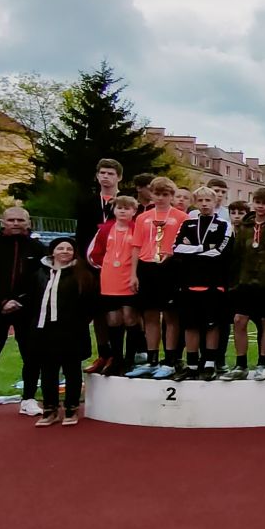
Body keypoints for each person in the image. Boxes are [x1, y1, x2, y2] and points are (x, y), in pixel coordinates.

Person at [0, 206, 47, 421]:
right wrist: (3, 301)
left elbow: (40, 280)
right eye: (11, 220)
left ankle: (29, 399)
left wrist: (20, 300)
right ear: (2, 222)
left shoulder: (38, 248)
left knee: (31, 355)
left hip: (27, 310)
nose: (15, 223)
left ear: (28, 222)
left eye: (20, 220)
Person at [125, 178, 188, 379]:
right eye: (157, 194)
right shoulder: (143, 217)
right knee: (150, 316)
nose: (160, 198)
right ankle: (151, 359)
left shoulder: (182, 217)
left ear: (171, 196)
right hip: (146, 267)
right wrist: (134, 274)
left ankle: (170, 359)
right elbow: (136, 246)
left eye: (165, 194)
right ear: (151, 194)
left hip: (170, 268)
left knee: (171, 316)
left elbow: (186, 246)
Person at [223, 188, 265, 381]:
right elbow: (237, 257)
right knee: (238, 321)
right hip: (244, 284)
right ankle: (241, 364)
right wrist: (233, 283)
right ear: (253, 202)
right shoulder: (244, 227)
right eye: (257, 202)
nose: (260, 206)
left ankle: (263, 362)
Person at [28, 237, 94, 427]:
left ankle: (71, 408)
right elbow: (32, 300)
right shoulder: (39, 274)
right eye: (60, 248)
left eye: (69, 248)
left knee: (72, 370)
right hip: (44, 329)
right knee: (48, 370)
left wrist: (79, 322)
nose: (65, 251)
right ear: (52, 251)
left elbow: (89, 303)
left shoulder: (82, 275)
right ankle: (50, 409)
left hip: (71, 331)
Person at [171, 187, 232, 380]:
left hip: (214, 283)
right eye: (201, 200)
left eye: (208, 200)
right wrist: (202, 248)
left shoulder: (224, 225)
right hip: (189, 282)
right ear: (195, 203)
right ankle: (192, 364)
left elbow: (219, 252)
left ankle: (209, 363)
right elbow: (177, 248)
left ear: (215, 202)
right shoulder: (188, 224)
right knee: (190, 325)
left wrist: (193, 249)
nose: (205, 204)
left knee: (211, 324)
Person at [78, 158, 123, 374]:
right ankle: (103, 353)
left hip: (120, 266)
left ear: (119, 177)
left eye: (110, 174)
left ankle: (121, 354)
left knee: (119, 313)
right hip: (93, 266)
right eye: (102, 173)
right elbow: (81, 235)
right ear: (97, 176)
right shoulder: (87, 203)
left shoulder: (126, 204)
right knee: (97, 312)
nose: (106, 177)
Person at [88, 196, 140, 376]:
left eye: (127, 208)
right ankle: (116, 358)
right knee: (113, 319)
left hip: (130, 277)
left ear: (134, 211)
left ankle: (131, 358)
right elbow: (95, 253)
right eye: (119, 208)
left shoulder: (137, 229)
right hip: (109, 278)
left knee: (130, 317)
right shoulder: (104, 229)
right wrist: (107, 265)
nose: (123, 211)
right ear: (114, 210)